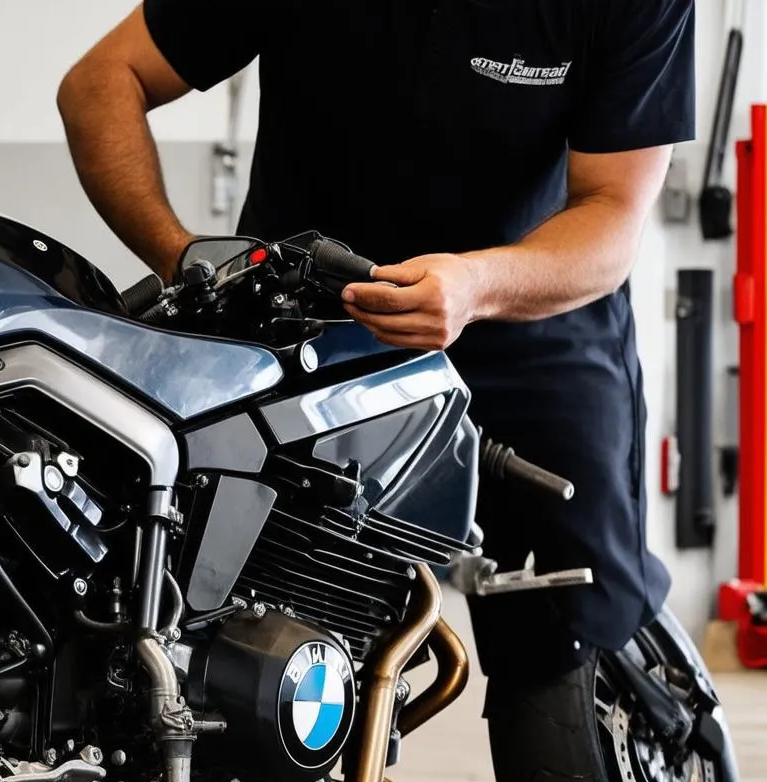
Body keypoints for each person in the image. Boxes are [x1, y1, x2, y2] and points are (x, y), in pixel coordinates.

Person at [56, 1, 695, 683]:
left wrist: (476, 287)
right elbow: (100, 84)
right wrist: (183, 257)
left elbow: (614, 212)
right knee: (232, 642)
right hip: (304, 322)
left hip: (526, 311)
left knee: (571, 626)